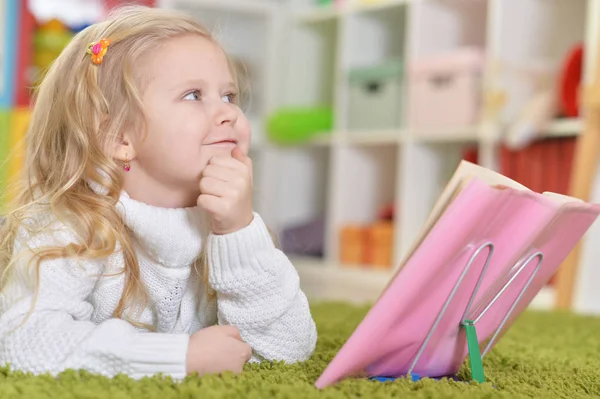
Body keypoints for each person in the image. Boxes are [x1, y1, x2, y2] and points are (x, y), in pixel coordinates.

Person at [0, 5, 317, 380]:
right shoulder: (67, 225)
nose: (229, 114)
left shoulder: (227, 223)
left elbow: (289, 350)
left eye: (229, 96)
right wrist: (177, 357)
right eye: (194, 95)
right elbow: (21, 342)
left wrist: (238, 231)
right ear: (119, 137)